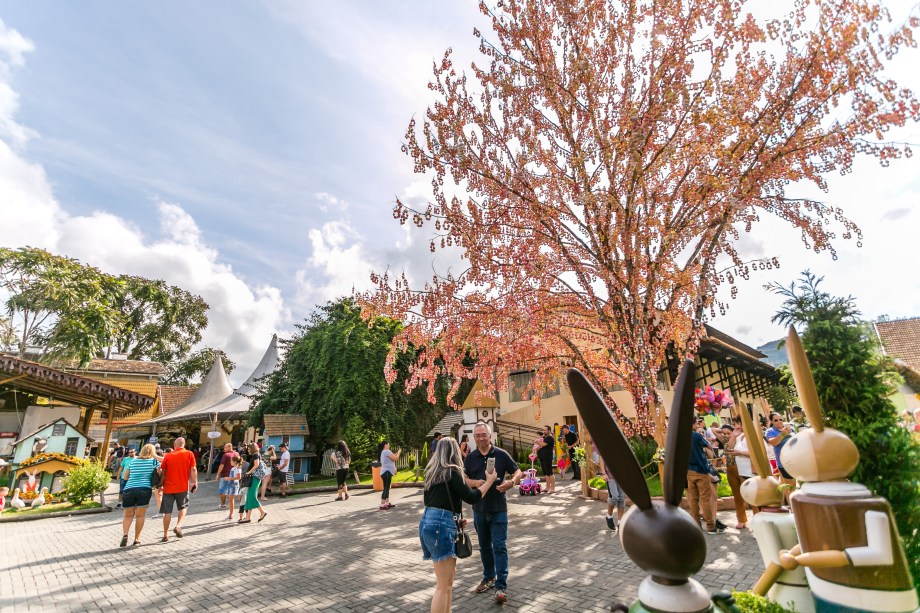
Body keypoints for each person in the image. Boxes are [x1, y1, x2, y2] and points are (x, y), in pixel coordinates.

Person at [421, 436, 497, 613]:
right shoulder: (452, 471)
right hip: (440, 526)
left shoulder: (432, 473)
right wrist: (489, 481)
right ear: (455, 451)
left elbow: (433, 502)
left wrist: (455, 519)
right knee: (443, 585)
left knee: (447, 582)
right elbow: (471, 497)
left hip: (430, 523)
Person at [463, 421, 522, 604]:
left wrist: (511, 483)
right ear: (474, 438)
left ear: (490, 436)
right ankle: (488, 577)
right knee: (485, 547)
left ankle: (501, 586)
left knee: (499, 546)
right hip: (479, 510)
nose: (481, 438)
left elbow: (518, 471)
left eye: (484, 435)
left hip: (498, 510)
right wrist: (473, 483)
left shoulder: (501, 454)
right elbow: (462, 478)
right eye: (477, 435)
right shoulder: (470, 458)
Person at [157, 436, 198, 542]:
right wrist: (195, 482)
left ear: (175, 445)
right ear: (184, 444)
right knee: (183, 507)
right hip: (182, 487)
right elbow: (193, 469)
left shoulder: (168, 456)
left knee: (167, 512)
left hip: (168, 488)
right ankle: (178, 526)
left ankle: (165, 535)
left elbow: (162, 471)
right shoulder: (189, 454)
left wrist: (160, 485)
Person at [119, 443, 159, 547]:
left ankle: (125, 534)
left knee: (127, 515)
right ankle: (137, 539)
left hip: (129, 489)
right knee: (140, 515)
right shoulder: (154, 461)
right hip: (144, 489)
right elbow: (161, 469)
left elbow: (126, 476)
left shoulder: (133, 461)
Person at [687, 426, 723, 534]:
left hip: (689, 470)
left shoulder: (680, 436)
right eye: (696, 424)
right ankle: (711, 526)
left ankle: (696, 525)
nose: (697, 426)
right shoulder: (696, 435)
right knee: (705, 499)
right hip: (701, 470)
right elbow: (709, 446)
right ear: (692, 424)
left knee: (693, 499)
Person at [722, 421, 748, 529]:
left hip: (742, 469)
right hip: (730, 471)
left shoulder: (741, 439)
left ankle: (756, 517)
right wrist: (731, 434)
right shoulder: (726, 442)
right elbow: (728, 448)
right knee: (737, 497)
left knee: (749, 495)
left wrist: (735, 432)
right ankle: (741, 519)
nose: (726, 436)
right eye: (724, 434)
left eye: (728, 433)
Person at [765, 413, 796, 495]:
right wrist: (783, 434)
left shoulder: (790, 429)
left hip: (796, 460)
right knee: (791, 487)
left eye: (780, 419)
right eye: (776, 420)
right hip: (784, 462)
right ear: (771, 421)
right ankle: (792, 506)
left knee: (798, 485)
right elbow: (774, 443)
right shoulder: (770, 431)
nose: (779, 421)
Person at [597, 451, 625, 533]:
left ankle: (620, 522)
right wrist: (603, 473)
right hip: (609, 474)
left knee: (621, 498)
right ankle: (609, 516)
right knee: (614, 497)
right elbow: (601, 456)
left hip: (621, 473)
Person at [240, 442, 268, 523]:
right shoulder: (255, 454)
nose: (248, 450)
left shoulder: (256, 454)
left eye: (249, 448)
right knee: (250, 497)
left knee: (252, 497)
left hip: (254, 478)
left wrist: (249, 472)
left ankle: (262, 512)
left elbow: (256, 465)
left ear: (252, 448)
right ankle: (248, 517)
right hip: (253, 478)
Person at [378, 440, 400, 510]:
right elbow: (395, 458)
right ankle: (382, 504)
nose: (389, 446)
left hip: (385, 472)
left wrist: (396, 453)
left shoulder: (384, 452)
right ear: (385, 445)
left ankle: (386, 503)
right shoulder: (387, 451)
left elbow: (392, 457)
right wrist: (399, 452)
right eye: (388, 444)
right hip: (387, 472)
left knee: (387, 487)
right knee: (386, 488)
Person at [216, 443, 239, 510]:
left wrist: (218, 474)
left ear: (229, 447)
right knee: (231, 490)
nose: (224, 449)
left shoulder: (226, 455)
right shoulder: (237, 454)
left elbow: (221, 465)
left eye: (225, 447)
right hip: (234, 475)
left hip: (225, 475)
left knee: (222, 490)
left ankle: (223, 504)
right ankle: (231, 504)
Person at [534, 425, 555, 494]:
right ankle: (547, 487)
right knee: (546, 473)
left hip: (547, 457)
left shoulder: (550, 438)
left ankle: (553, 488)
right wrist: (536, 448)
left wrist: (537, 442)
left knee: (550, 473)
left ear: (549, 430)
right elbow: (540, 446)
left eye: (545, 430)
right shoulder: (544, 437)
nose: (544, 431)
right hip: (542, 457)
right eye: (544, 430)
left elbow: (543, 444)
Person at [224, 456, 242, 520]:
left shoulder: (238, 468)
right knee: (230, 499)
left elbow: (239, 477)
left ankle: (232, 514)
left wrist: (229, 478)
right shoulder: (233, 468)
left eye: (231, 461)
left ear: (235, 462)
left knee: (231, 499)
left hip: (234, 485)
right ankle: (231, 513)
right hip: (230, 484)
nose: (230, 462)